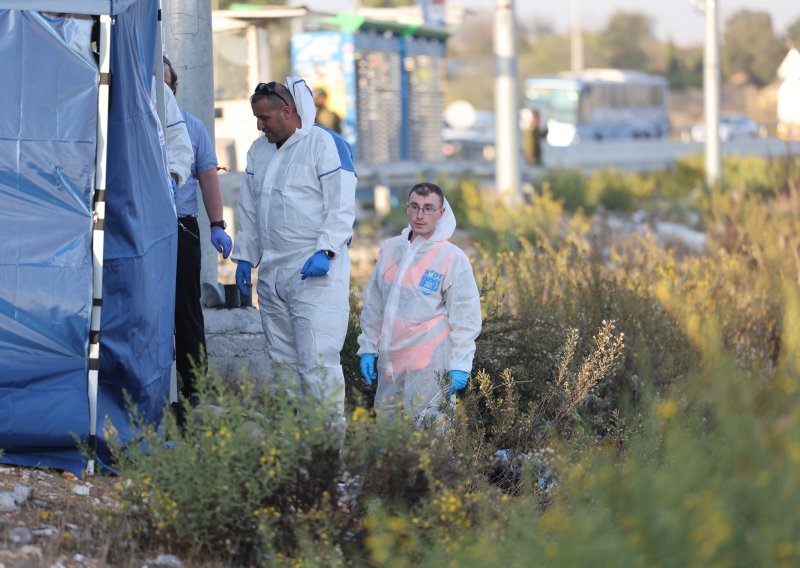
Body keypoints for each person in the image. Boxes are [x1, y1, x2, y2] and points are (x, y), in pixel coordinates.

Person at [232, 78, 356, 430]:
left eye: (265, 117)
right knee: (284, 364)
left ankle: (328, 452)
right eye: (257, 118)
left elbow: (341, 206)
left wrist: (326, 251)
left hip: (314, 273)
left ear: (287, 112)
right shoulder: (259, 151)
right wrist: (245, 255)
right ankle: (297, 443)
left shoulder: (322, 145)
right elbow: (251, 209)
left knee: (317, 362)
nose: (260, 125)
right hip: (273, 271)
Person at [357, 182, 482, 425]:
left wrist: (461, 363)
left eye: (428, 208)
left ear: (441, 212)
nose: (420, 215)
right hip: (391, 360)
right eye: (414, 207)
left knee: (429, 429)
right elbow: (374, 304)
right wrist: (368, 348)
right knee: (388, 428)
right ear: (407, 208)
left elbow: (465, 316)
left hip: (429, 362)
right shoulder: (392, 249)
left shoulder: (451, 257)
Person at [162, 57, 233, 407]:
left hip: (180, 225)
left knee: (186, 308)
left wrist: (217, 224)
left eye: (166, 84)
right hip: (136, 227)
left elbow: (208, 177)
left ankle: (195, 388)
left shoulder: (190, 127)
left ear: (173, 88)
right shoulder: (128, 121)